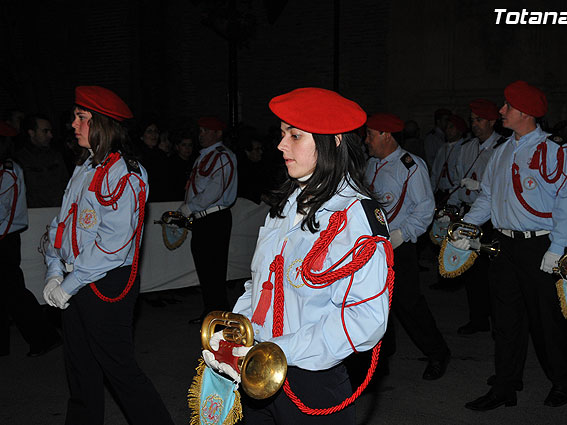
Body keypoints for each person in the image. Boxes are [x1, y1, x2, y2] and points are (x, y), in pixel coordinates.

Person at [212, 87, 392, 424]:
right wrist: (237, 331)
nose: (281, 145)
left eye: (294, 135)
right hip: (257, 367)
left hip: (311, 377)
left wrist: (281, 351)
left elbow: (366, 319)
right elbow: (261, 282)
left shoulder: (355, 218)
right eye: (282, 134)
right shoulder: (285, 205)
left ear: (333, 141)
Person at [43, 86, 174, 425]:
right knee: (80, 372)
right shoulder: (85, 165)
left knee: (120, 372)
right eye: (75, 116)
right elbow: (63, 223)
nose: (73, 124)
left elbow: (112, 246)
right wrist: (54, 270)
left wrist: (69, 284)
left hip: (104, 282)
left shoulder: (126, 173)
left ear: (101, 124)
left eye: (81, 117)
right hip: (75, 277)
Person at [457, 81, 567, 410]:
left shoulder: (554, 150)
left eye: (507, 107)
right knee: (506, 320)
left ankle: (562, 379)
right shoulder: (501, 151)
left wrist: (558, 248)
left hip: (539, 247)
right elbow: (488, 198)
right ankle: (505, 386)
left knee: (545, 320)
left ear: (524, 112)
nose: (501, 112)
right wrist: (467, 225)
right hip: (504, 246)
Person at [364, 112, 450, 379]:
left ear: (385, 135)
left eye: (369, 134)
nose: (366, 140)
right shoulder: (371, 164)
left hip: (400, 246)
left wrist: (402, 234)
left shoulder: (411, 166)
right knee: (375, 303)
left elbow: (425, 208)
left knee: (408, 303)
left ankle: (437, 353)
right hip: (373, 246)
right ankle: (381, 358)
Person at [0, 121, 61, 357]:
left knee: (15, 292)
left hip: (5, 238)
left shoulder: (9, 171)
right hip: (5, 235)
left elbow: (4, 210)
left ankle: (44, 337)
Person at [449, 99, 505, 335]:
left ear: (492, 121)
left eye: (479, 120)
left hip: (491, 217)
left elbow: (501, 187)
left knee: (494, 273)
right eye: (472, 120)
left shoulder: (501, 147)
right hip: (470, 211)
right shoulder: (467, 147)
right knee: (472, 272)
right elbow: (459, 180)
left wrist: (480, 185)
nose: (474, 124)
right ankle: (478, 317)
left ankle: (498, 321)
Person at [179, 116, 237, 323]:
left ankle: (220, 317)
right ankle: (210, 314)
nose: (201, 134)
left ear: (218, 133)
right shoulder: (205, 156)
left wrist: (189, 207)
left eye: (205, 130)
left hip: (215, 218)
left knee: (214, 270)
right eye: (201, 130)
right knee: (205, 269)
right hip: (203, 218)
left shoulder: (223, 157)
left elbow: (215, 189)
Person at [14, 114, 69, 207]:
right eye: (45, 131)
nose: (50, 135)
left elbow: (65, 183)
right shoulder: (19, 159)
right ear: (31, 133)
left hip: (58, 209)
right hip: (32, 213)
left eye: (50, 131)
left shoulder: (56, 156)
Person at [430, 114, 467, 205]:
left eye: (451, 127)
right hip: (440, 193)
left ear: (460, 130)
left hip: (455, 193)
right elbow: (435, 172)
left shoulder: (464, 148)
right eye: (446, 127)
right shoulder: (442, 148)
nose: (447, 130)